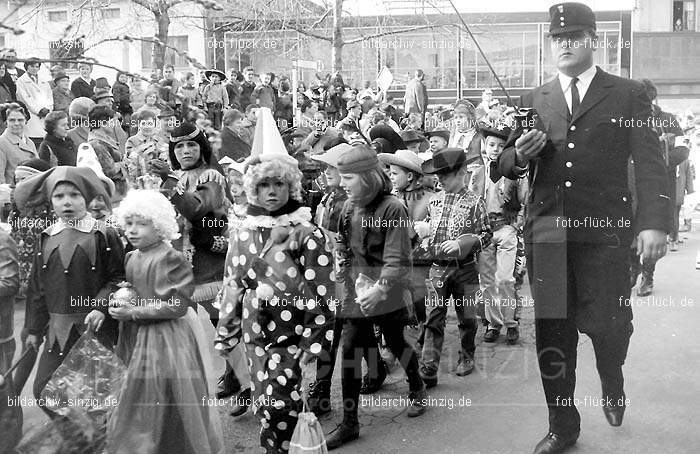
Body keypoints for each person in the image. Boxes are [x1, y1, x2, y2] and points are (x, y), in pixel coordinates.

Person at [497, 4, 670, 453]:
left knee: (610, 326)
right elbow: (503, 164)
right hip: (549, 236)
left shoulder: (628, 94)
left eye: (574, 36)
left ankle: (612, 381)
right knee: (554, 331)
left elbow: (652, 165)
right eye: (557, 38)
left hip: (606, 236)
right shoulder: (536, 99)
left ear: (594, 40)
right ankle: (562, 425)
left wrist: (654, 224)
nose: (565, 45)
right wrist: (521, 154)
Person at [214, 107, 335, 453]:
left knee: (281, 404)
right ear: (252, 187)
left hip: (291, 334)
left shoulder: (307, 234)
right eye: (263, 184)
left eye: (278, 183)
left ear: (290, 185)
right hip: (254, 334)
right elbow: (232, 284)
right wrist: (226, 331)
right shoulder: (242, 232)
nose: (271, 192)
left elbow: (323, 292)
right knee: (266, 407)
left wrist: (314, 342)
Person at [106, 189, 224, 454]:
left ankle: (172, 444)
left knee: (168, 393)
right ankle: (145, 444)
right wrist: (124, 296)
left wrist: (134, 311)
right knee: (139, 393)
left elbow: (178, 305)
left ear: (159, 226)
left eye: (142, 223)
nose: (133, 230)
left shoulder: (170, 257)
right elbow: (137, 289)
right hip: (136, 335)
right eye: (129, 223)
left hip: (167, 337)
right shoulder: (131, 257)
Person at [327, 145, 426, 450]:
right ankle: (350, 423)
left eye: (349, 178)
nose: (343, 184)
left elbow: (398, 258)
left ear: (368, 177)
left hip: (389, 290)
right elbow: (342, 245)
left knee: (396, 342)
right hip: (357, 292)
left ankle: (417, 385)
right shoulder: (347, 207)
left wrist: (380, 288)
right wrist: (341, 268)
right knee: (351, 351)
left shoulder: (393, 207)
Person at [16, 166, 125, 416]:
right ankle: (79, 441)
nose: (67, 202)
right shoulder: (47, 237)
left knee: (96, 396)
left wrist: (100, 306)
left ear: (86, 197)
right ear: (51, 201)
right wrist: (33, 329)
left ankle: (98, 442)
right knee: (44, 391)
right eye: (60, 196)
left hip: (93, 329)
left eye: (74, 195)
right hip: (57, 332)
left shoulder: (103, 234)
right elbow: (38, 288)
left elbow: (118, 277)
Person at [411, 148, 490, 387]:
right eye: (438, 175)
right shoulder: (434, 200)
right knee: (434, 317)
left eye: (445, 175)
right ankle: (429, 365)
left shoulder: (476, 202)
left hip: (465, 268)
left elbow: (486, 235)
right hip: (437, 267)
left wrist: (463, 243)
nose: (440, 179)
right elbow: (428, 226)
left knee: (467, 317)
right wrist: (423, 232)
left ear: (462, 173)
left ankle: (467, 355)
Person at [477, 121, 526, 344]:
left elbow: (525, 200)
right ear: (484, 146)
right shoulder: (478, 173)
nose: (495, 150)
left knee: (505, 278)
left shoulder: (515, 173)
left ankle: (511, 323)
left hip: (506, 227)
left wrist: (517, 224)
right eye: (491, 145)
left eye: (500, 146)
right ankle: (493, 324)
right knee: (487, 281)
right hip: (485, 230)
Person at [15, 58, 53, 149]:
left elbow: (49, 97)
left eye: (37, 66)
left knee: (45, 141)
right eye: (32, 66)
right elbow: (25, 98)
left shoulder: (44, 81)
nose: (35, 68)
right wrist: (39, 110)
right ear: (26, 67)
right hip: (32, 115)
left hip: (45, 115)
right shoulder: (21, 81)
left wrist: (48, 109)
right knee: (33, 140)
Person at [0, 102, 38, 184]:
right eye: (12, 120)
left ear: (26, 121)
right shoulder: (2, 143)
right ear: (6, 123)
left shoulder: (30, 143)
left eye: (20, 120)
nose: (16, 123)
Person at [125, 110, 163, 188]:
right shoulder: (132, 141)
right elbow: (130, 160)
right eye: (143, 123)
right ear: (139, 125)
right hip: (138, 178)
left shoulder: (159, 140)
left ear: (154, 125)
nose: (147, 127)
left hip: (157, 180)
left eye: (150, 124)